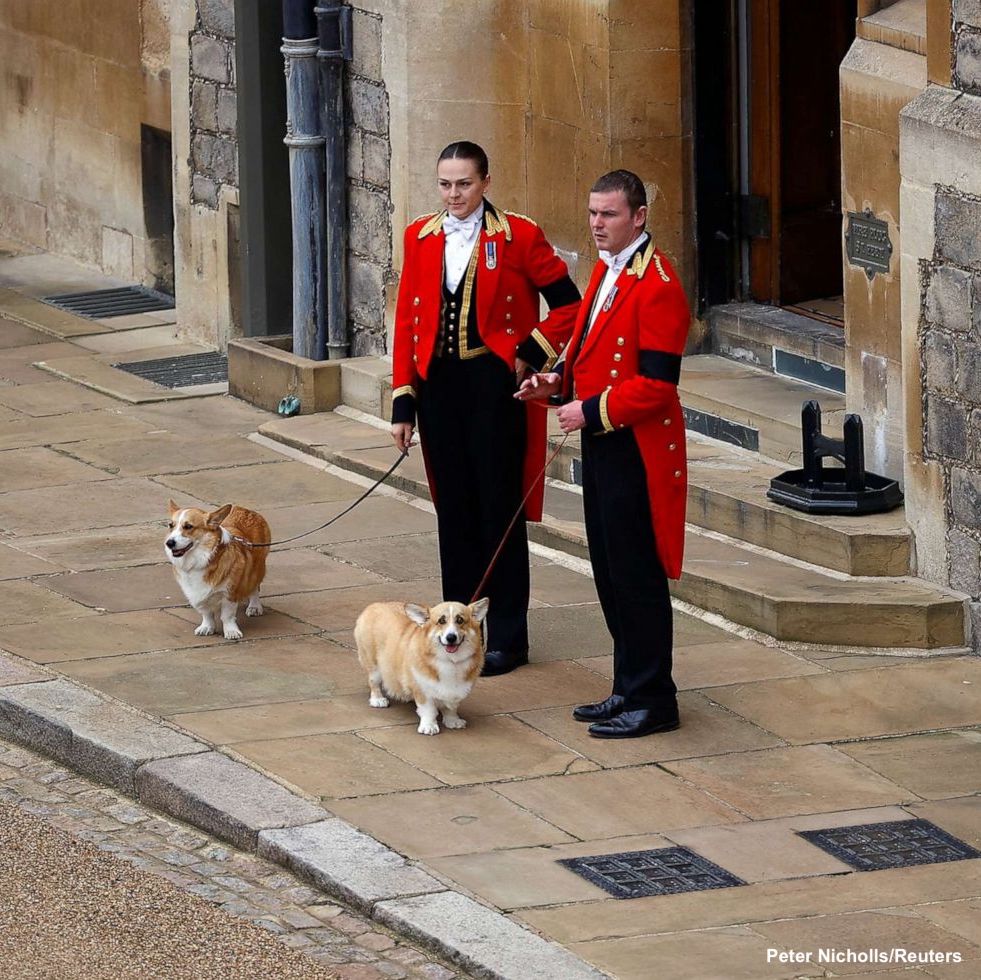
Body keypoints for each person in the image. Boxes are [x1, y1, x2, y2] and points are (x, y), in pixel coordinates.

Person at [390, 141, 580, 676]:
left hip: (496, 389)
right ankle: (458, 633)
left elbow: (569, 303)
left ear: (486, 183)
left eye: (464, 184)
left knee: (499, 512)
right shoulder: (419, 236)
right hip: (441, 391)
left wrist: (531, 353)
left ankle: (510, 639)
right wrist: (404, 401)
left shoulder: (519, 235)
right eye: (445, 184)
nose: (454, 195)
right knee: (453, 511)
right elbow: (407, 321)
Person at [517, 169, 690, 737]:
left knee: (637, 575)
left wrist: (590, 411)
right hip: (605, 444)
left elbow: (659, 385)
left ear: (638, 217)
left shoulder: (658, 283)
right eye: (592, 214)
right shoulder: (605, 271)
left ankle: (654, 699)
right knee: (610, 572)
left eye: (608, 214)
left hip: (637, 450)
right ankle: (627, 686)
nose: (596, 224)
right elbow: (587, 354)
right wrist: (555, 385)